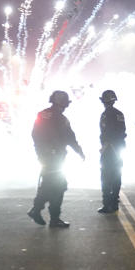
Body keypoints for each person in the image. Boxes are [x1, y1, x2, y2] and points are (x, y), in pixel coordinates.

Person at [27, 90, 85, 228]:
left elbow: (35, 135)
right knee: (58, 186)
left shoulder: (42, 115)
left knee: (50, 184)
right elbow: (70, 137)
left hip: (48, 156)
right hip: (54, 158)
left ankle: (41, 211)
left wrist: (42, 153)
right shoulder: (60, 118)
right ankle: (46, 214)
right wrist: (79, 151)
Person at [98, 89, 127, 213]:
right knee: (115, 176)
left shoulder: (106, 114)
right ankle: (113, 202)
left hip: (110, 149)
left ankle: (107, 204)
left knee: (106, 176)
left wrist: (106, 143)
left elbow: (111, 132)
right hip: (116, 148)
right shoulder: (118, 114)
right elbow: (122, 131)